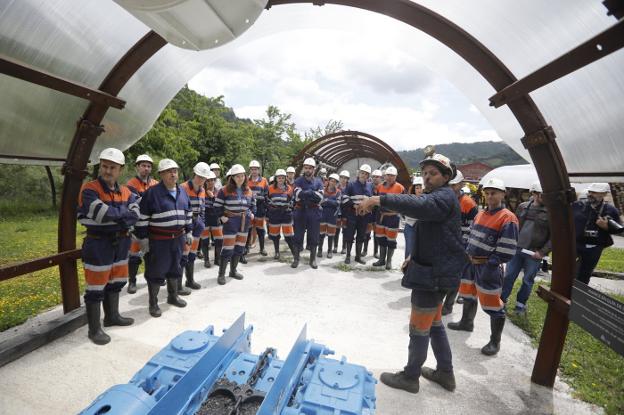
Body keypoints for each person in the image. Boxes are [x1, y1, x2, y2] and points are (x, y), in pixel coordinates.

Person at [357, 150, 465, 394]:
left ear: (446, 176)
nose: (427, 178)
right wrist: (412, 258)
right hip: (432, 269)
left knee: (419, 325)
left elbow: (420, 206)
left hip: (433, 275)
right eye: (425, 173)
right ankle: (445, 373)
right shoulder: (439, 197)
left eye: (433, 173)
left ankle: (410, 376)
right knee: (435, 322)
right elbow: (432, 235)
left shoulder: (442, 197)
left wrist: (377, 199)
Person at [448, 178, 519, 356]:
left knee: (493, 305)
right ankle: (466, 322)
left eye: (493, 193)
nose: (489, 196)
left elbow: (507, 249)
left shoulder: (508, 218)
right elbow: (470, 235)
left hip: (488, 267)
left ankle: (495, 342)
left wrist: (491, 265)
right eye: (487, 193)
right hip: (470, 263)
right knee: (468, 294)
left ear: (503, 194)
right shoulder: (481, 213)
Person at [77, 148, 139, 345]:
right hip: (98, 243)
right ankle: (94, 330)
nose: (107, 170)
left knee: (117, 281)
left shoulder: (127, 191)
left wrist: (119, 215)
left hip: (121, 243)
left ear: (120, 169)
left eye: (112, 167)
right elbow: (101, 214)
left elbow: (136, 214)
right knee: (95, 286)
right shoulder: (89, 189)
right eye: (104, 166)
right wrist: (124, 215)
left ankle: (112, 316)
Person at [135, 158, 192, 318]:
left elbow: (188, 213)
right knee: (155, 271)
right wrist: (143, 238)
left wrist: (189, 231)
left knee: (175, 267)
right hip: (159, 241)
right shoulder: (151, 194)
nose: (173, 174)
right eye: (168, 171)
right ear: (161, 174)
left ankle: (172, 296)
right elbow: (142, 218)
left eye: (175, 170)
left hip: (178, 239)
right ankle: (153, 303)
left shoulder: (182, 192)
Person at [500, 182, 551, 315]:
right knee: (509, 276)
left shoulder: (551, 212)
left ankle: (520, 305)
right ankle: (501, 301)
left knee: (528, 280)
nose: (545, 197)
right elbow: (514, 225)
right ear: (534, 194)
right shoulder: (522, 207)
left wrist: (542, 252)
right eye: (542, 194)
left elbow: (554, 237)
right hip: (516, 249)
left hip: (534, 252)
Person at [442, 170, 478, 314]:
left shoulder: (468, 204)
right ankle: (440, 301)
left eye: (454, 185)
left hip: (460, 245)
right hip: (444, 243)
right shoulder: (444, 199)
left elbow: (473, 228)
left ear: (461, 184)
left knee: (455, 275)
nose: (451, 188)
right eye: (449, 185)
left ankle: (448, 305)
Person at [573, 182, 623, 284]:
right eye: (590, 191)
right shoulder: (577, 206)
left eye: (595, 192)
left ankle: (578, 297)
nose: (590, 194)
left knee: (585, 274)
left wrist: (606, 227)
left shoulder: (611, 210)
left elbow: (619, 229)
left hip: (594, 247)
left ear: (604, 194)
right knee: (567, 269)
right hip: (575, 244)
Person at [214, 164, 256, 285]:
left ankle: (233, 271)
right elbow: (217, 206)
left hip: (244, 221)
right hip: (231, 221)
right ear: (232, 177)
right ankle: (221, 274)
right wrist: (222, 217)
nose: (240, 178)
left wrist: (252, 213)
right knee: (227, 248)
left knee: (239, 247)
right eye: (237, 176)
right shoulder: (224, 190)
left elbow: (253, 203)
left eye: (242, 176)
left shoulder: (248, 190)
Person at [126, 154, 158, 294]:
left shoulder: (155, 184)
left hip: (151, 225)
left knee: (151, 255)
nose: (146, 168)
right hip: (136, 226)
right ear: (137, 167)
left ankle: (151, 279)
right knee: (134, 255)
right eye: (143, 165)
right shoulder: (131, 184)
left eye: (148, 166)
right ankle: (132, 281)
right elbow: (134, 203)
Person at [179, 162, 210, 293]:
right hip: (186, 224)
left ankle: (190, 280)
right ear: (194, 174)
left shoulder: (203, 190)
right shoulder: (182, 187)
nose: (201, 179)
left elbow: (202, 208)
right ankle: (178, 286)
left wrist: (201, 223)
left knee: (192, 254)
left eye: (203, 177)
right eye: (199, 176)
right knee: (183, 255)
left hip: (197, 224)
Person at [292, 158, 324, 269]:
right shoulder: (298, 181)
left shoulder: (319, 181)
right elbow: (296, 194)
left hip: (314, 211)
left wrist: (306, 193)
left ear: (314, 169)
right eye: (306, 167)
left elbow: (320, 197)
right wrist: (311, 193)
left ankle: (312, 259)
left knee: (314, 236)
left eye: (310, 168)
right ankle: (296, 259)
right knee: (298, 235)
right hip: (300, 211)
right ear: (303, 168)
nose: (308, 170)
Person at [372, 166, 405, 269]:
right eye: (388, 175)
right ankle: (381, 260)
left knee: (391, 240)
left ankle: (389, 261)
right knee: (381, 238)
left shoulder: (400, 188)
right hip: (380, 217)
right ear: (385, 176)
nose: (390, 177)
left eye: (392, 175)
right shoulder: (379, 187)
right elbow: (374, 202)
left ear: (395, 177)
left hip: (393, 218)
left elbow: (404, 203)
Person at [342, 164, 373, 264]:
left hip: (364, 216)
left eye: (366, 174)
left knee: (361, 236)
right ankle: (347, 256)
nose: (363, 175)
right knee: (350, 235)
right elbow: (344, 198)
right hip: (352, 215)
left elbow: (371, 199)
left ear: (368, 176)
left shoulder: (370, 186)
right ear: (359, 173)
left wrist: (368, 208)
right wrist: (353, 205)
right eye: (362, 173)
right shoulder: (351, 185)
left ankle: (358, 257)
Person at [267, 169, 296, 260]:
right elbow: (266, 199)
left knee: (288, 235)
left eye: (282, 178)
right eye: (279, 178)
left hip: (286, 213)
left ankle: (294, 252)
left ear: (285, 178)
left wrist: (289, 207)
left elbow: (293, 200)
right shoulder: (270, 188)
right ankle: (277, 252)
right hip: (275, 213)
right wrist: (271, 207)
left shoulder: (290, 188)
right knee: (275, 235)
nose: (280, 179)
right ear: (276, 178)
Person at [245, 160, 269, 260]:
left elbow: (267, 195)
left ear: (259, 170)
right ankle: (246, 248)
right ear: (250, 170)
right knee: (248, 228)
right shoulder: (246, 180)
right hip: (249, 207)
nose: (254, 171)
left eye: (256, 169)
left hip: (260, 208)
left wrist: (259, 197)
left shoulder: (264, 180)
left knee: (260, 229)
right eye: (252, 169)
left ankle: (262, 248)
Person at [201, 170, 222, 268]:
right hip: (205, 218)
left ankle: (217, 259)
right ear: (205, 181)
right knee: (205, 240)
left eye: (212, 180)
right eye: (208, 180)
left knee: (219, 240)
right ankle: (206, 260)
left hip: (215, 218)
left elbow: (219, 206)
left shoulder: (219, 192)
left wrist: (213, 197)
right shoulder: (201, 191)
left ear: (215, 180)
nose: (210, 182)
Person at [319, 173, 342, 259]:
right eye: (331, 180)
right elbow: (320, 202)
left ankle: (329, 251)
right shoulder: (323, 190)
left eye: (335, 182)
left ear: (337, 183)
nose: (332, 183)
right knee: (321, 233)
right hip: (323, 214)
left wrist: (327, 200)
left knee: (331, 234)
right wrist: (330, 202)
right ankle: (320, 249)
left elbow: (337, 203)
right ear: (328, 181)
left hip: (332, 216)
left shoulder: (338, 192)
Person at [403, 176, 423, 259]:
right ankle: (407, 269)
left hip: (423, 228)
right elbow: (406, 214)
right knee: (410, 249)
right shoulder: (409, 199)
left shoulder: (428, 199)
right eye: (417, 188)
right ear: (414, 189)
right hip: (410, 226)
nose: (419, 190)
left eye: (421, 187)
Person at [336, 170, 350, 254]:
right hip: (337, 212)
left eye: (345, 178)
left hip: (346, 212)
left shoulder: (350, 188)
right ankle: (335, 246)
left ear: (348, 179)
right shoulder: (336, 188)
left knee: (345, 230)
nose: (343, 179)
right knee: (336, 229)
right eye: (341, 177)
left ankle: (344, 247)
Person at [370, 169, 383, 259]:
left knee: (376, 233)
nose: (375, 178)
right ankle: (365, 250)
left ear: (381, 178)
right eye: (374, 177)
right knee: (366, 232)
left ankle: (375, 251)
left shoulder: (383, 188)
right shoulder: (368, 187)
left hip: (378, 213)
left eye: (377, 177)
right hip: (369, 212)